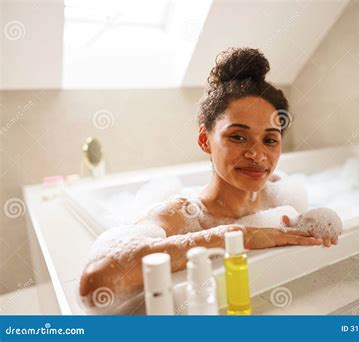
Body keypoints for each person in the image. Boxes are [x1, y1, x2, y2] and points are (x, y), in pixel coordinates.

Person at [79, 48, 338, 310]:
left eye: (270, 140)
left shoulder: (280, 192)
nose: (258, 155)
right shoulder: (183, 213)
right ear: (205, 139)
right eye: (238, 136)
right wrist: (238, 235)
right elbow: (96, 282)